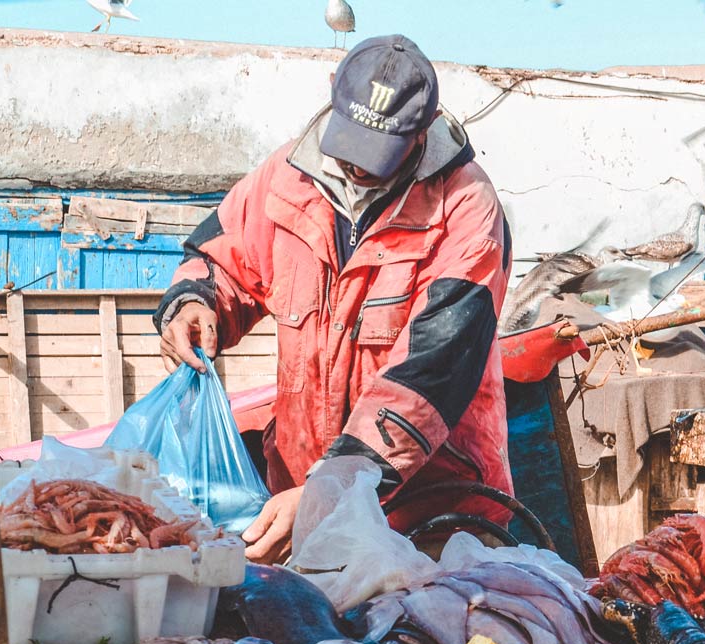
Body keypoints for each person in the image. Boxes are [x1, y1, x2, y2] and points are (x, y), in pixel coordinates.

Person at [155, 35, 512, 563]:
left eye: (378, 154)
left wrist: (330, 489)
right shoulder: (285, 178)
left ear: (423, 129)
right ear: (331, 95)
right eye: (350, 146)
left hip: (431, 521)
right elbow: (225, 260)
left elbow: (428, 375)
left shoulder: (467, 208)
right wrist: (195, 303)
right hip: (297, 507)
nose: (358, 168)